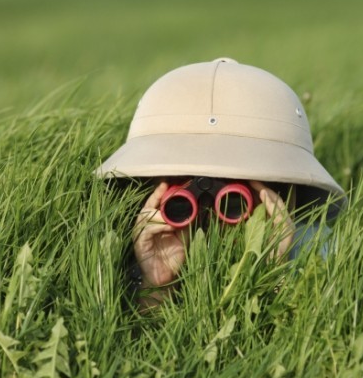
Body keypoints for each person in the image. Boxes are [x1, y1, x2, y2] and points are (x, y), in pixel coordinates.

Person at [95, 58, 346, 309]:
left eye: (234, 199)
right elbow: (134, 346)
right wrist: (157, 283)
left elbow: (304, 343)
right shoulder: (125, 251)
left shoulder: (318, 249)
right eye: (183, 188)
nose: (210, 207)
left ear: (279, 189)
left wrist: (271, 271)